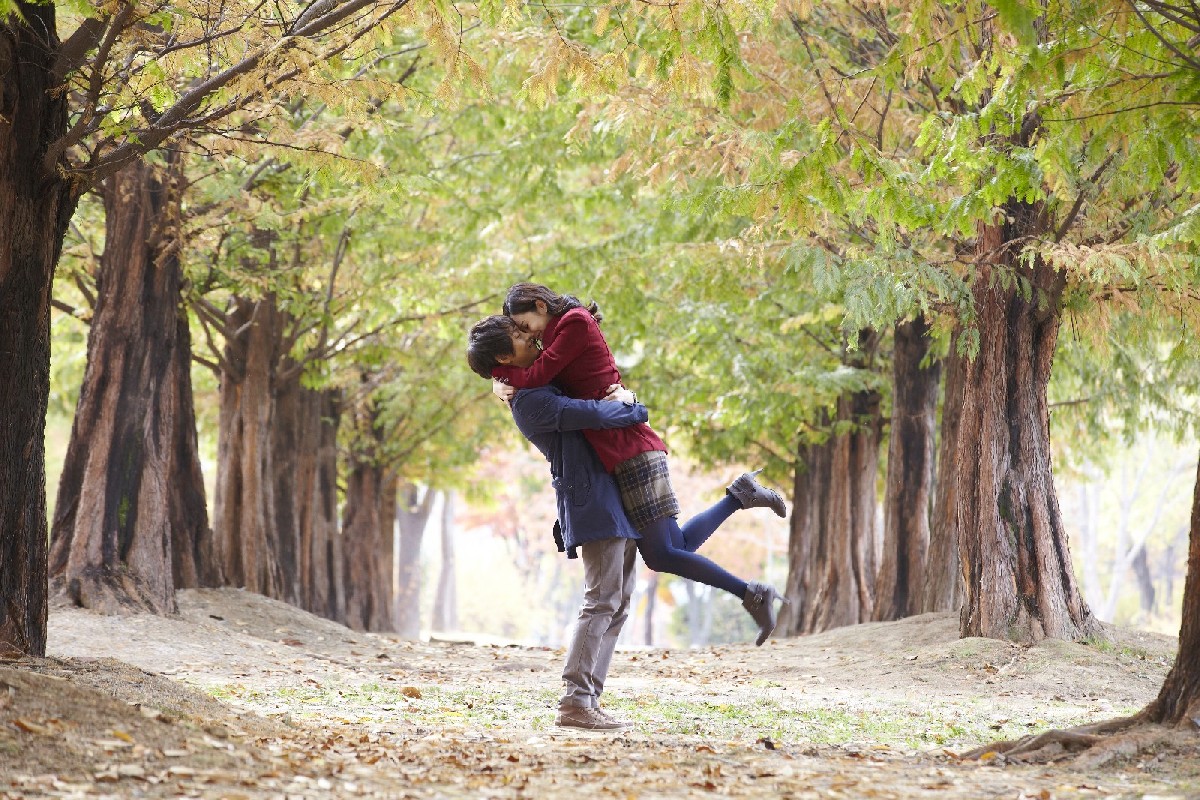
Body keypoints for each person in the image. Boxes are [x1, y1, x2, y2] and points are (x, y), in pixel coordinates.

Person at [489, 283, 788, 646]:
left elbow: (537, 376)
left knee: (663, 553)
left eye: (524, 324)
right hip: (617, 446)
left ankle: (751, 590)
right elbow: (537, 371)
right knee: (671, 546)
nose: (527, 334)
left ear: (539, 305)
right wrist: (498, 376)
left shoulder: (574, 323)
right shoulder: (553, 335)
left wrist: (504, 377)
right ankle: (741, 500)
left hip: (629, 443)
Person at [467, 315, 644, 731]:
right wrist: (634, 407)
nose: (531, 336)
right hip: (591, 501)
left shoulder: (536, 381)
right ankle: (575, 700)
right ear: (504, 357)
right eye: (519, 336)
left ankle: (589, 699)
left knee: (618, 601)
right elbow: (599, 415)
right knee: (602, 598)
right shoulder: (531, 400)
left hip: (611, 491)